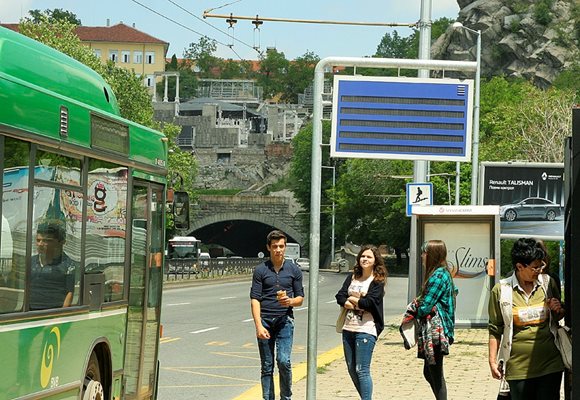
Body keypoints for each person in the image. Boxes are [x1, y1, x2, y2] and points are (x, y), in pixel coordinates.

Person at [488, 238, 565, 400]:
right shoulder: (501, 290)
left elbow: (558, 317)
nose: (539, 270)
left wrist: (557, 309)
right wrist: (493, 361)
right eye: (535, 267)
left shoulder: (548, 283)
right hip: (517, 367)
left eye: (541, 265)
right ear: (519, 266)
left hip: (551, 364)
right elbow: (495, 328)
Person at [250, 230, 304, 400]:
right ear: (268, 248)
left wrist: (290, 301)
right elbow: (255, 299)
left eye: (281, 246)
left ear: (285, 247)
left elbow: (300, 298)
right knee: (267, 365)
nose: (278, 250)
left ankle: (286, 397)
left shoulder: (294, 270)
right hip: (265, 321)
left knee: (283, 361)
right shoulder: (260, 270)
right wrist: (258, 325)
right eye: (274, 246)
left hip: (284, 321)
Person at [335, 245, 387, 400]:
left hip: (366, 329)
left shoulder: (377, 281)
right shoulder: (352, 277)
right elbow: (340, 296)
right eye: (363, 256)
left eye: (369, 257)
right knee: (352, 368)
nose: (365, 259)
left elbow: (371, 302)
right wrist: (348, 302)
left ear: (375, 261)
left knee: (362, 369)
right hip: (348, 328)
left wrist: (353, 300)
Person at [416, 240, 456, 400]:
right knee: (429, 371)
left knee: (435, 374)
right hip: (437, 331)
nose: (422, 256)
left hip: (436, 332)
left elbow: (424, 308)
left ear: (432, 255)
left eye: (424, 253)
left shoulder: (437, 276)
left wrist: (417, 305)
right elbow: (454, 291)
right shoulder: (443, 273)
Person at [30, 220, 76, 310]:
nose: (40, 244)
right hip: (30, 312)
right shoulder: (31, 262)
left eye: (46, 241)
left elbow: (69, 293)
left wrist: (61, 316)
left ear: (60, 242)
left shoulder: (68, 265)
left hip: (53, 312)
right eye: (38, 240)